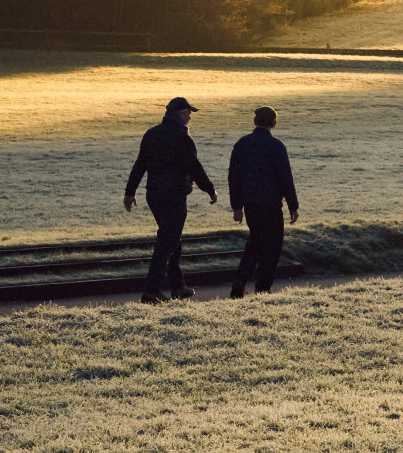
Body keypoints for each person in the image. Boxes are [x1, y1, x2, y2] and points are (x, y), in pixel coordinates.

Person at [124, 95, 217, 303]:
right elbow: (194, 166)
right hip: (174, 194)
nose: (190, 118)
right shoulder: (182, 137)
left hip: (154, 193)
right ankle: (151, 291)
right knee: (167, 242)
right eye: (189, 114)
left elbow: (140, 164)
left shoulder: (152, 134)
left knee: (172, 238)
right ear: (182, 114)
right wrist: (210, 190)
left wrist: (130, 192)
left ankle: (178, 286)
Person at [228, 106, 300, 297]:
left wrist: (237, 206)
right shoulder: (276, 146)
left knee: (255, 241)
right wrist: (293, 206)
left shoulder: (242, 144)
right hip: (271, 204)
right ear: (274, 123)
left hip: (251, 204)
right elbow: (286, 178)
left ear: (255, 121)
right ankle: (263, 287)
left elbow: (233, 177)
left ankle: (241, 278)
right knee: (272, 246)